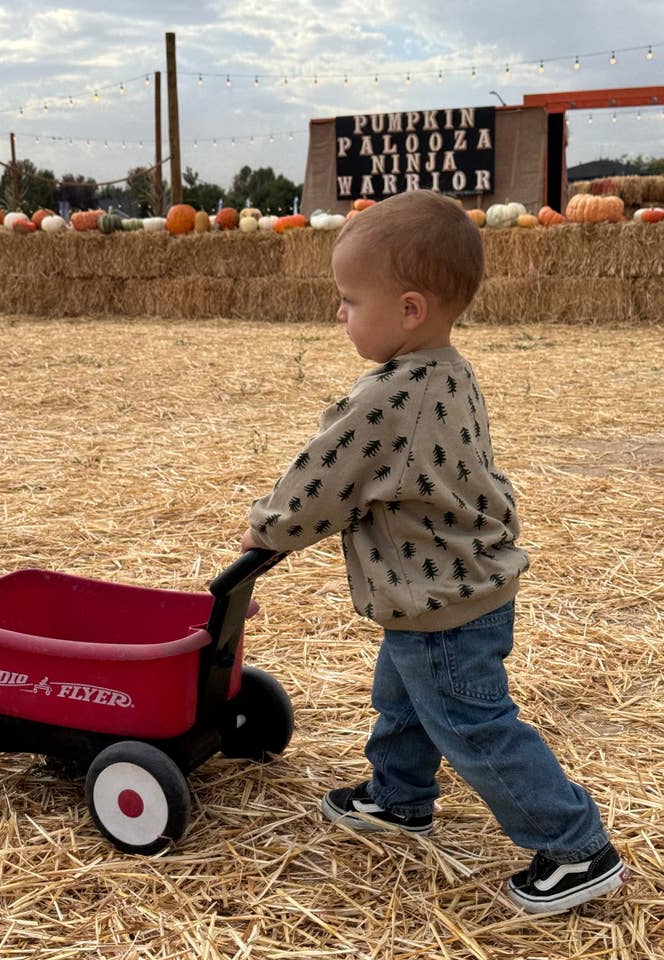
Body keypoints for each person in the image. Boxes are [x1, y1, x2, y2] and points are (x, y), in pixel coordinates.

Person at [240, 190, 627, 915]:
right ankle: (399, 797)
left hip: (442, 601)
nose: (340, 314)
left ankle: (577, 848)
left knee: (472, 725)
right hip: (447, 589)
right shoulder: (449, 370)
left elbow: (325, 476)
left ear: (409, 309)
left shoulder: (389, 397)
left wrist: (268, 529)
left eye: (350, 300)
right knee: (404, 699)